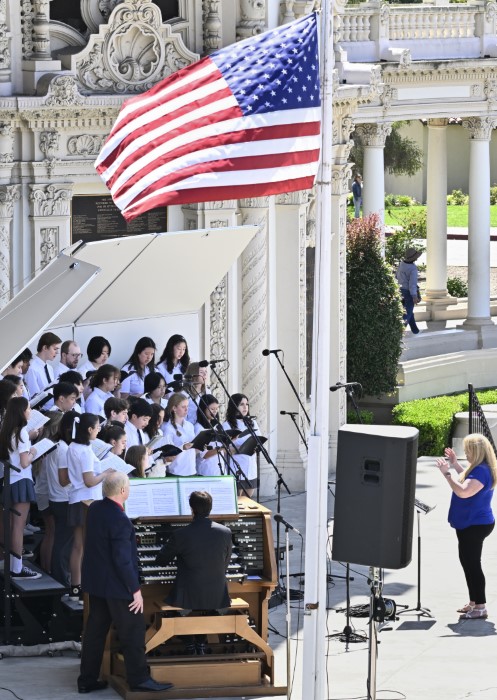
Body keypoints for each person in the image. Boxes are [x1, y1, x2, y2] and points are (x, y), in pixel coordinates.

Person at [78, 472, 173, 694]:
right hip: (117, 586)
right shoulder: (120, 520)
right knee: (133, 630)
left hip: (97, 582)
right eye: (128, 487)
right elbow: (122, 561)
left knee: (95, 631)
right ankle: (139, 679)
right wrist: (136, 590)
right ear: (123, 491)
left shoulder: (95, 509)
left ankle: (87, 680)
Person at [155, 490, 232, 654]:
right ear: (211, 508)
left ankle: (190, 642)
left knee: (171, 606)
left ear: (192, 509)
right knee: (206, 606)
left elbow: (161, 560)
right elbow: (225, 563)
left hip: (187, 594)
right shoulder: (225, 532)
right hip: (217, 593)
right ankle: (200, 643)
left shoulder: (181, 534)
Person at [435, 434, 497, 619]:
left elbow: (463, 491)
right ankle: (473, 602)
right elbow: (466, 479)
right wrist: (454, 464)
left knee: (472, 564)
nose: (466, 454)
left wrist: (446, 473)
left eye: (468, 451)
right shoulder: (479, 468)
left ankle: (480, 607)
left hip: (475, 525)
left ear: (476, 452)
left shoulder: (482, 471)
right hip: (469, 523)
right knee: (468, 562)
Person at [0, 396, 41, 579]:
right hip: (21, 479)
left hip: (10, 480)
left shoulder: (6, 429)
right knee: (18, 526)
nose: (30, 411)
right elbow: (25, 462)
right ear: (21, 412)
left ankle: (12, 564)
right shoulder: (22, 432)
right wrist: (33, 451)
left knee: (11, 525)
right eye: (28, 408)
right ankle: (16, 567)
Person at [223, 393, 261, 498]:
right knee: (236, 501)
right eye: (241, 404)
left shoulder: (252, 422)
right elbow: (224, 448)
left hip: (251, 467)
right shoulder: (227, 425)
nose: (245, 407)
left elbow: (258, 440)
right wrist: (239, 448)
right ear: (234, 406)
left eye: (247, 404)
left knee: (248, 501)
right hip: (236, 467)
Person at [24, 331, 62, 398]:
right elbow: (34, 395)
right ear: (45, 348)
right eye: (55, 349)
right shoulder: (31, 367)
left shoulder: (49, 368)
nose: (57, 352)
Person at [396, 247, 422, 334]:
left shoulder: (402, 264)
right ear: (414, 258)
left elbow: (396, 276)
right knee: (408, 312)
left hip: (400, 290)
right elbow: (412, 284)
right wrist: (414, 296)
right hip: (408, 292)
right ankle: (400, 331)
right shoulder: (413, 268)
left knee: (408, 311)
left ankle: (415, 330)